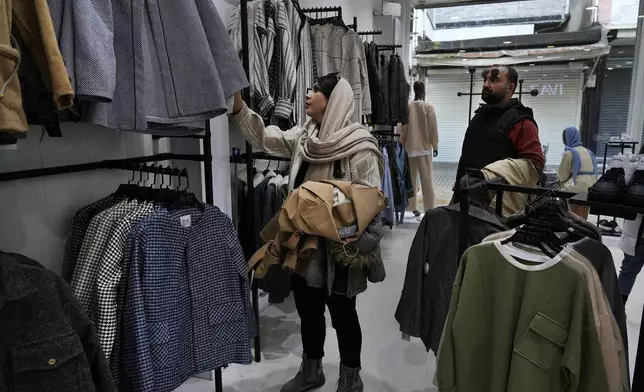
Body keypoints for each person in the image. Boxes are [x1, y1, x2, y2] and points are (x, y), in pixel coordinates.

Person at [230, 74, 384, 392]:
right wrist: (240, 110)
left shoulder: (359, 145)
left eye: (316, 91)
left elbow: (370, 198)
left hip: (340, 246)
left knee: (343, 314)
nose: (309, 94)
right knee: (308, 310)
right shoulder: (306, 138)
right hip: (305, 246)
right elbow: (266, 139)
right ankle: (312, 369)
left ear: (334, 100)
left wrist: (322, 204)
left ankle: (350, 376)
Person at [453, 65, 544, 200]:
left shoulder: (521, 122)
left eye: (494, 80)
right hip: (465, 198)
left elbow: (534, 165)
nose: (486, 85)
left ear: (510, 88)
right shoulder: (479, 116)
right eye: (485, 80)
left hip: (497, 207)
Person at [400, 81, 438, 216]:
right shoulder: (428, 107)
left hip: (410, 148)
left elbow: (403, 127)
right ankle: (429, 209)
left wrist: (402, 142)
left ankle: (412, 207)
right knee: (427, 180)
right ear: (423, 91)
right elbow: (433, 128)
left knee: (411, 180)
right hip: (424, 149)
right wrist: (435, 145)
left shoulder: (408, 107)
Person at [557, 126, 598, 219]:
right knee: (583, 215)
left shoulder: (569, 153)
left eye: (564, 138)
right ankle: (583, 230)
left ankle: (572, 229)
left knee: (574, 216)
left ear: (569, 138)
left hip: (577, 188)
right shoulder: (588, 151)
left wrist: (559, 182)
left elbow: (562, 175)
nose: (564, 141)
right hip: (591, 187)